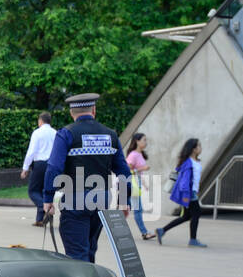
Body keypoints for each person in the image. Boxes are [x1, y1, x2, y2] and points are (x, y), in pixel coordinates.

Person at [42, 93, 132, 263]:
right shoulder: (110, 135)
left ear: (71, 113)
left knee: (77, 255)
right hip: (102, 198)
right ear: (94, 110)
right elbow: (124, 171)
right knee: (90, 249)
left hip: (76, 199)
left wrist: (47, 198)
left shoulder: (67, 133)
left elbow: (54, 167)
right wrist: (124, 199)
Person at [156, 138, 206, 247]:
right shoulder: (189, 163)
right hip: (189, 193)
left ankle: (162, 230)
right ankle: (193, 240)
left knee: (186, 216)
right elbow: (184, 181)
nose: (201, 148)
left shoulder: (194, 161)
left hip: (191, 192)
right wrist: (186, 196)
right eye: (199, 146)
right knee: (197, 213)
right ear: (193, 149)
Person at [20, 112, 56, 226]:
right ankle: (40, 219)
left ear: (40, 121)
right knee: (44, 190)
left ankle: (44, 206)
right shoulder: (55, 133)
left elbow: (31, 151)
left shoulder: (37, 133)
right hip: (52, 164)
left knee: (33, 191)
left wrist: (25, 168)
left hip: (40, 164)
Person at [125, 133, 153, 239]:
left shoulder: (140, 154)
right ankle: (144, 232)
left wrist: (144, 184)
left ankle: (111, 226)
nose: (146, 142)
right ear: (137, 141)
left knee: (126, 208)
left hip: (137, 183)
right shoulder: (133, 155)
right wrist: (143, 169)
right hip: (132, 184)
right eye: (144, 140)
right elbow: (128, 170)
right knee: (137, 209)